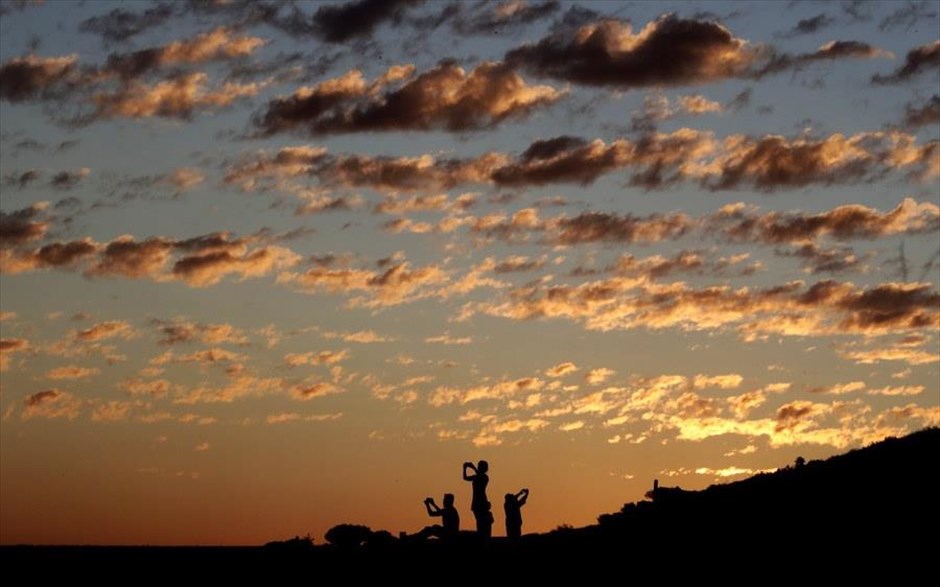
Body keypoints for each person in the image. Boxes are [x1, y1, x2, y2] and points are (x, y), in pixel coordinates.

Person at [463, 460, 490, 535]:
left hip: (482, 501)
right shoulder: (477, 476)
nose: (478, 468)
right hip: (476, 501)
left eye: (479, 466)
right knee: (479, 520)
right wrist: (464, 468)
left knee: (481, 521)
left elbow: (479, 476)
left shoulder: (485, 477)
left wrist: (472, 467)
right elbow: (465, 478)